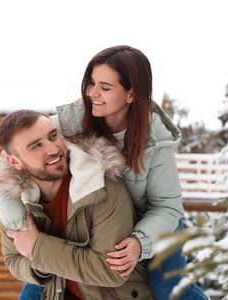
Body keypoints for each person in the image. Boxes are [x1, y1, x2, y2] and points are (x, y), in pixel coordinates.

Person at [16, 45, 208, 300]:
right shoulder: (72, 122)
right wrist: (17, 222)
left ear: (131, 94)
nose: (93, 93)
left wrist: (141, 242)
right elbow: (11, 154)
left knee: (168, 288)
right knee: (35, 289)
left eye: (105, 87)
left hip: (153, 223)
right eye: (91, 83)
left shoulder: (154, 139)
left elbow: (168, 207)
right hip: (95, 221)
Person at [0, 110, 156, 299]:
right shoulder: (15, 199)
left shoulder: (100, 186)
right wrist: (40, 267)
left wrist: (38, 249)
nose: (53, 149)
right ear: (14, 162)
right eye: (36, 146)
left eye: (53, 136)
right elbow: (13, 259)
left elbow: (111, 271)